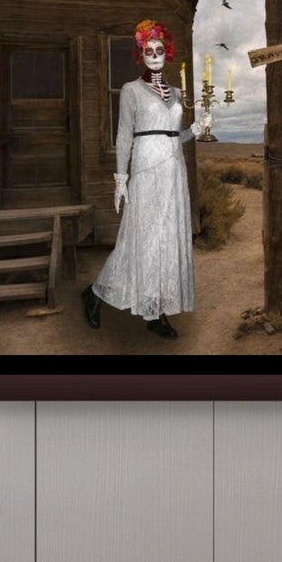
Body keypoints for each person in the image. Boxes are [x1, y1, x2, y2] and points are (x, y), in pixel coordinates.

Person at [83, 18, 196, 338]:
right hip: (145, 165)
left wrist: (195, 131)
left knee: (167, 241)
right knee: (140, 240)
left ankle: (155, 312)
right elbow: (123, 135)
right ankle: (94, 294)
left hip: (174, 169)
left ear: (167, 53)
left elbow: (175, 136)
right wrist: (121, 179)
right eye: (149, 50)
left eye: (160, 49)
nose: (155, 54)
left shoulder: (176, 93)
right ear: (142, 55)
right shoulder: (131, 90)